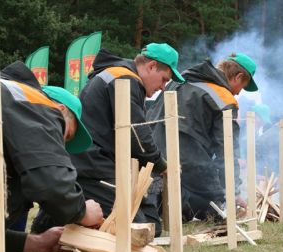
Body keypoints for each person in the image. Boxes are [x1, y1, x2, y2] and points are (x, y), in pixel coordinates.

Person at [70, 43, 184, 236]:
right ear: (151, 66)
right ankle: (61, 214)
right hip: (92, 167)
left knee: (150, 223)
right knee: (139, 229)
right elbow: (137, 136)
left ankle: (69, 207)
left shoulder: (120, 76)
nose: (163, 87)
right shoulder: (125, 79)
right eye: (164, 79)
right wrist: (162, 165)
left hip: (102, 164)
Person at [0, 61, 103, 252]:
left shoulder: (10, 100)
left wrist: (36, 244)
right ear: (60, 110)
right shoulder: (37, 104)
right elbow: (51, 185)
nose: (59, 146)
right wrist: (81, 211)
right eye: (67, 135)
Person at [147, 53, 259, 222]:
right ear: (238, 76)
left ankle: (164, 203)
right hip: (188, 160)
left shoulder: (180, 79)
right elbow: (227, 150)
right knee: (216, 207)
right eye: (241, 87)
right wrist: (232, 192)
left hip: (153, 154)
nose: (238, 94)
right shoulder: (224, 98)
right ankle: (177, 204)